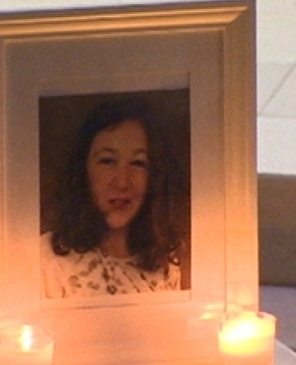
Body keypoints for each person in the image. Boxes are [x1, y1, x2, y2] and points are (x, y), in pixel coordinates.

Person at [41, 97, 188, 298]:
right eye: (108, 161)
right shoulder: (47, 258)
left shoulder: (164, 264)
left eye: (137, 163)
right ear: (83, 169)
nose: (122, 182)